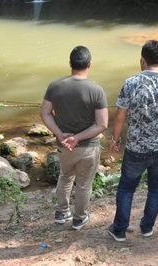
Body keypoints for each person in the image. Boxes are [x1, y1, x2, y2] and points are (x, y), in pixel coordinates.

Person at [107, 40, 158, 242]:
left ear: (142, 60)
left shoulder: (130, 84)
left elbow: (120, 117)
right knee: (155, 188)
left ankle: (120, 229)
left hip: (136, 149)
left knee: (126, 188)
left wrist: (115, 140)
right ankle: (147, 227)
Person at [40, 46, 108, 230]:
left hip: (64, 145)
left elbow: (45, 113)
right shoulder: (97, 90)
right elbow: (102, 124)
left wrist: (59, 133)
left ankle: (62, 213)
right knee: (84, 184)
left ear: (70, 64)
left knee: (65, 176)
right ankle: (79, 218)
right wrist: (77, 138)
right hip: (88, 146)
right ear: (89, 65)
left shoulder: (55, 86)